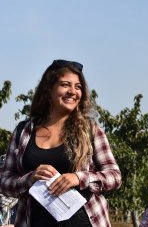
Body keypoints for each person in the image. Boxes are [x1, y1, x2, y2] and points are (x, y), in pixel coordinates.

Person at [0, 59, 122, 227]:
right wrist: (30, 178)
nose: (73, 91)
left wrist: (78, 178)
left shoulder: (90, 130)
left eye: (78, 87)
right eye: (65, 85)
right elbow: (5, 182)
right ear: (48, 89)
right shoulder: (23, 132)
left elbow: (114, 176)